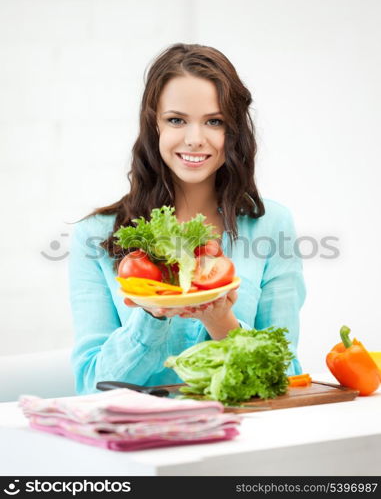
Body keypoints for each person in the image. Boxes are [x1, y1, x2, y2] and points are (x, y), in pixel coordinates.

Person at [68, 43, 306, 395]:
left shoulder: (273, 225)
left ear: (234, 131)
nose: (195, 139)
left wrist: (221, 322)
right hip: (138, 441)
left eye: (214, 121)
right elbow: (91, 386)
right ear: (154, 126)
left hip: (243, 437)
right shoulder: (94, 235)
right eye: (176, 120)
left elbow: (285, 376)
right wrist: (151, 318)